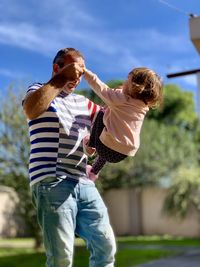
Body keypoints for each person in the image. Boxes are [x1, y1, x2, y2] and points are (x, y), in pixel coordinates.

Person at [22, 48, 116, 267]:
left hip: (84, 182)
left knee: (106, 246)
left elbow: (109, 120)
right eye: (74, 70)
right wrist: (62, 77)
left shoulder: (85, 103)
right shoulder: (38, 90)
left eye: (80, 74)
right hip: (51, 180)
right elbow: (31, 110)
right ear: (57, 68)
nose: (77, 78)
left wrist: (130, 104)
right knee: (61, 257)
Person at [83, 67, 163, 180]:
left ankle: (91, 145)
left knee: (103, 112)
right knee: (114, 133)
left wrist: (85, 72)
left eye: (127, 80)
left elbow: (100, 88)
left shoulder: (121, 99)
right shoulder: (143, 107)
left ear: (134, 87)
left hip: (104, 147)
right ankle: (93, 171)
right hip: (123, 153)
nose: (124, 82)